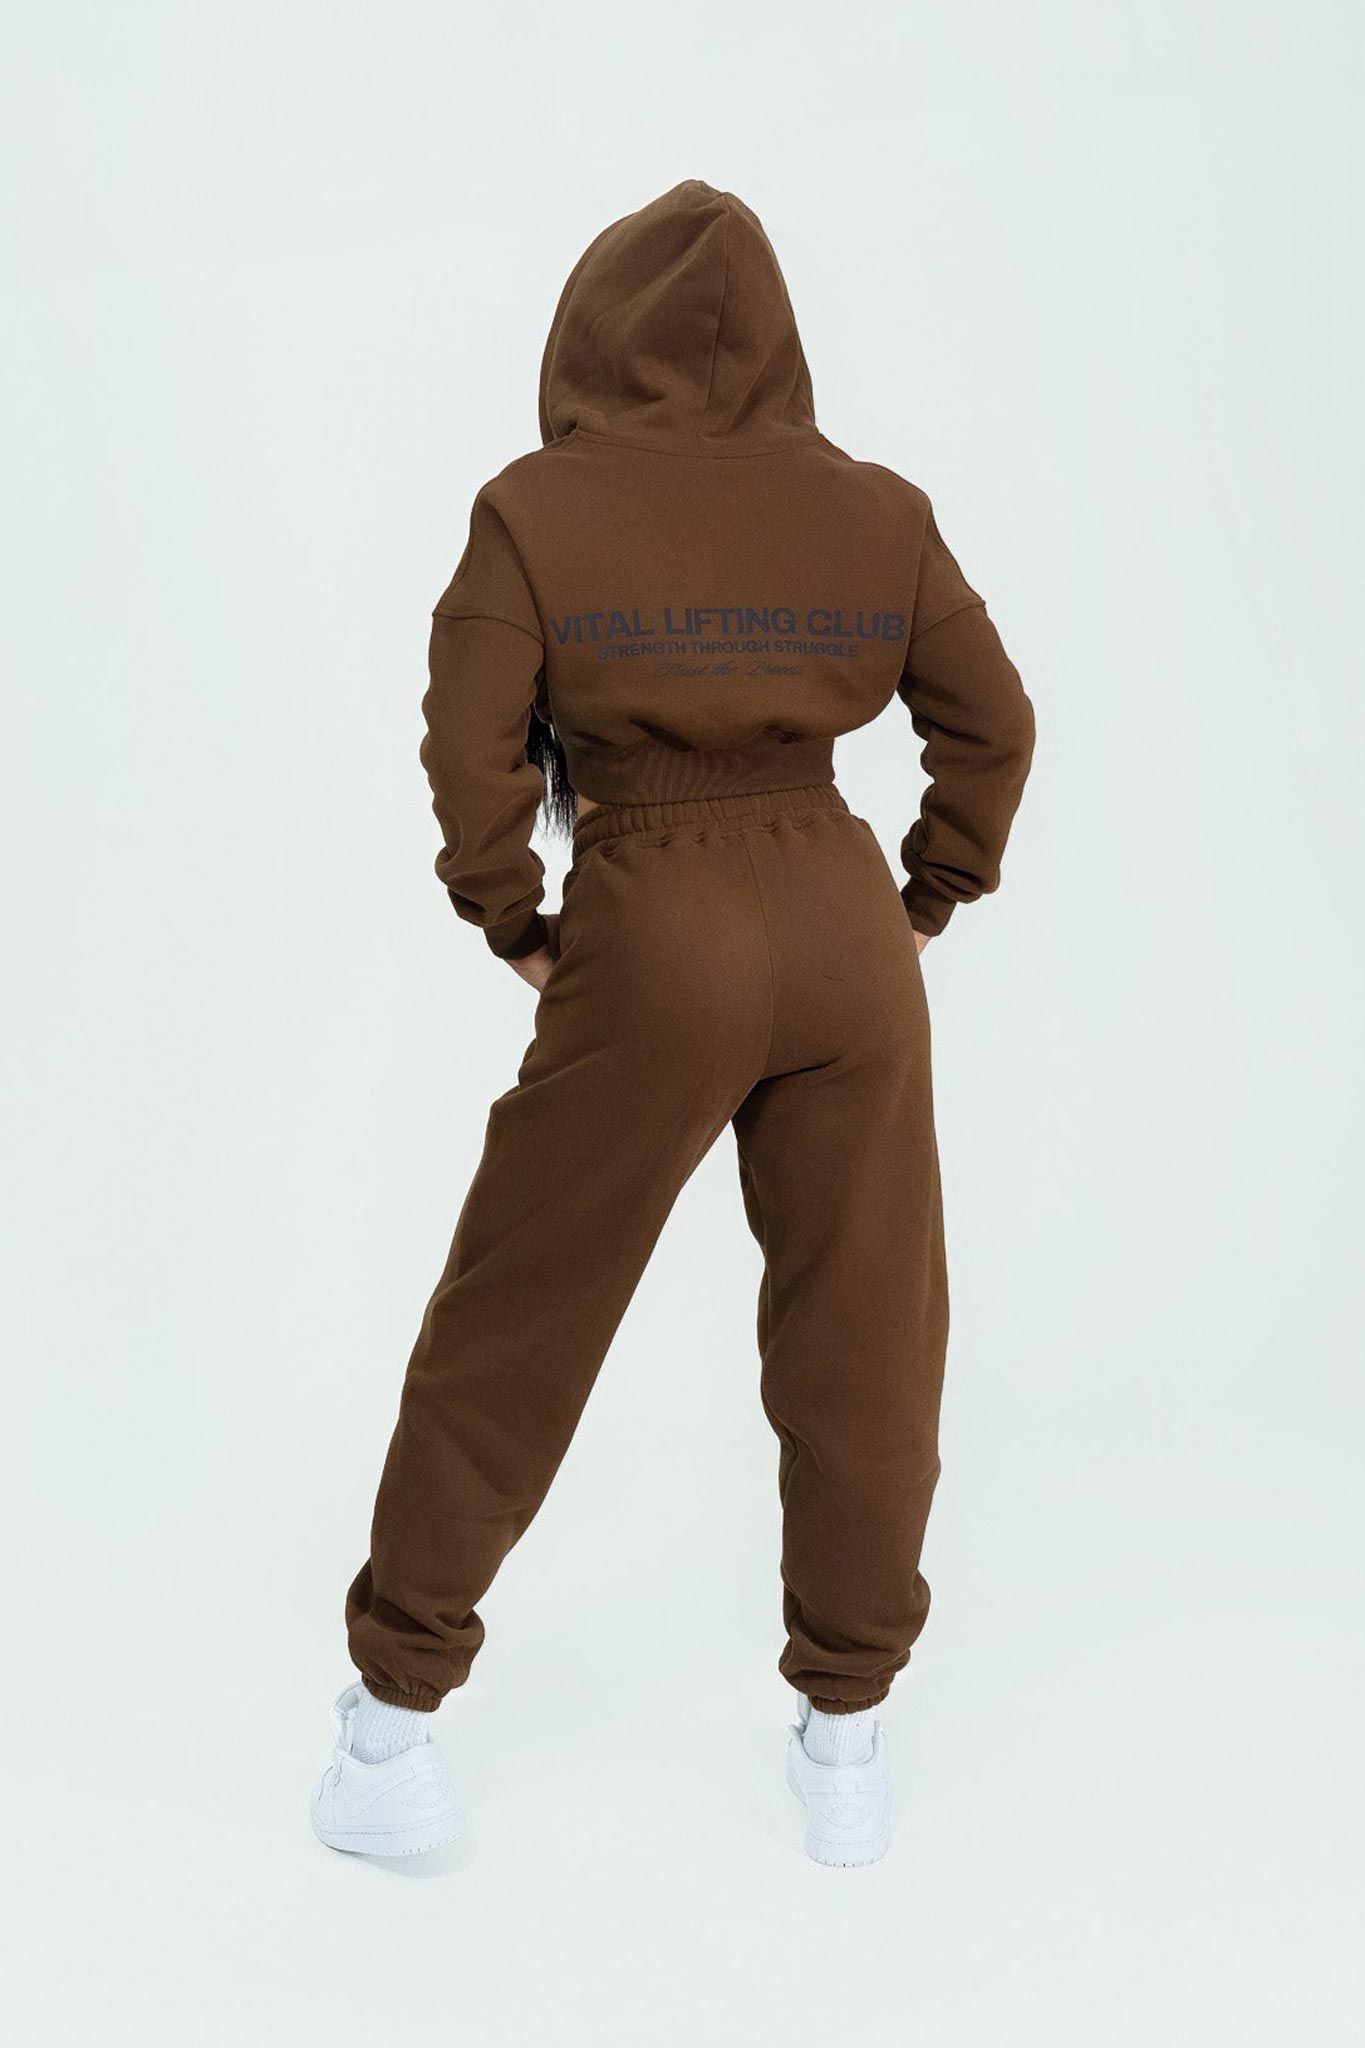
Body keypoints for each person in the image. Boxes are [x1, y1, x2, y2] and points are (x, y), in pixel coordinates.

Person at [312, 179, 1035, 1867]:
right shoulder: (875, 509)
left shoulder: (536, 510)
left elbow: (467, 738)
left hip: (652, 919)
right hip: (843, 925)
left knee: (521, 1314)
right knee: (867, 1335)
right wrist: (924, 896)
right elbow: (993, 721)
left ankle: (390, 1731)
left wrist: (513, 917)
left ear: (584, 335)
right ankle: (845, 1743)